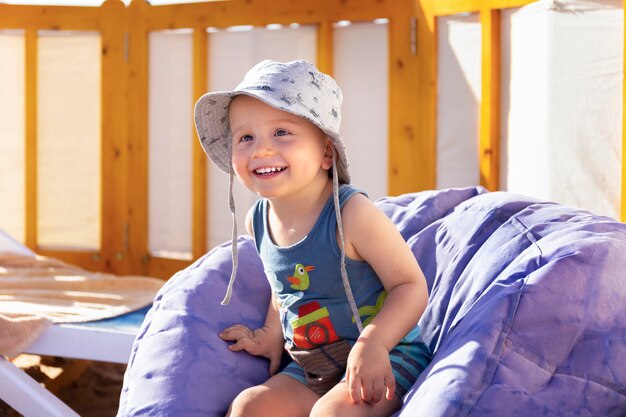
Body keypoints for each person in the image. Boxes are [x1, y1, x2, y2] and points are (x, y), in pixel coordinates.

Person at [194, 59, 431, 417]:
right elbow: (283, 287)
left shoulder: (351, 215)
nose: (260, 149)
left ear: (325, 153)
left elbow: (411, 286)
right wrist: (270, 334)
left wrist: (374, 344)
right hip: (314, 362)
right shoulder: (257, 220)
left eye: (281, 133)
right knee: (248, 407)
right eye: (245, 137)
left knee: (330, 414)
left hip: (386, 353)